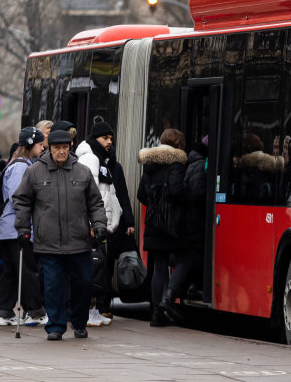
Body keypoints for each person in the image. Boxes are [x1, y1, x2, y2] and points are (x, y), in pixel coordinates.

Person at [13, 129, 109, 341]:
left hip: (79, 241)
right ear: (50, 148)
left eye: (65, 148)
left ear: (70, 148)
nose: (62, 152)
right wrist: (22, 229)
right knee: (53, 286)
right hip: (48, 242)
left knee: (83, 284)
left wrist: (100, 224)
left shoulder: (82, 172)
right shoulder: (35, 172)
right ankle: (55, 326)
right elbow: (21, 200)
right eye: (57, 148)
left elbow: (95, 202)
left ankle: (79, 322)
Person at [0, 127, 48, 327]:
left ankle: (3, 312)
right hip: (17, 227)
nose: (43, 148)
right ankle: (35, 311)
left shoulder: (18, 164)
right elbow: (20, 197)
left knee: (10, 272)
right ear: (31, 144)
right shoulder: (21, 167)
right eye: (41, 144)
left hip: (9, 228)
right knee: (27, 271)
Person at [76, 120, 128, 327]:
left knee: (97, 268)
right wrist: (92, 223)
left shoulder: (100, 158)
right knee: (94, 268)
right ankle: (88, 311)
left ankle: (93, 310)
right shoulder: (91, 158)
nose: (109, 142)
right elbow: (90, 193)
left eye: (111, 139)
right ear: (95, 138)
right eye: (105, 138)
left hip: (101, 223)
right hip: (95, 224)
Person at [137, 129, 189, 327]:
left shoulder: (150, 165)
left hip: (153, 223)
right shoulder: (176, 165)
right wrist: (187, 197)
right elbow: (176, 191)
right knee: (185, 258)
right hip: (170, 223)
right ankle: (168, 298)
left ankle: (156, 315)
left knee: (159, 267)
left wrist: (155, 203)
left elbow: (141, 194)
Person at [182, 135, 209, 300]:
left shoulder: (194, 161)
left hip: (193, 216)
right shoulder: (201, 164)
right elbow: (198, 192)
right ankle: (194, 286)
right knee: (198, 250)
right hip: (197, 216)